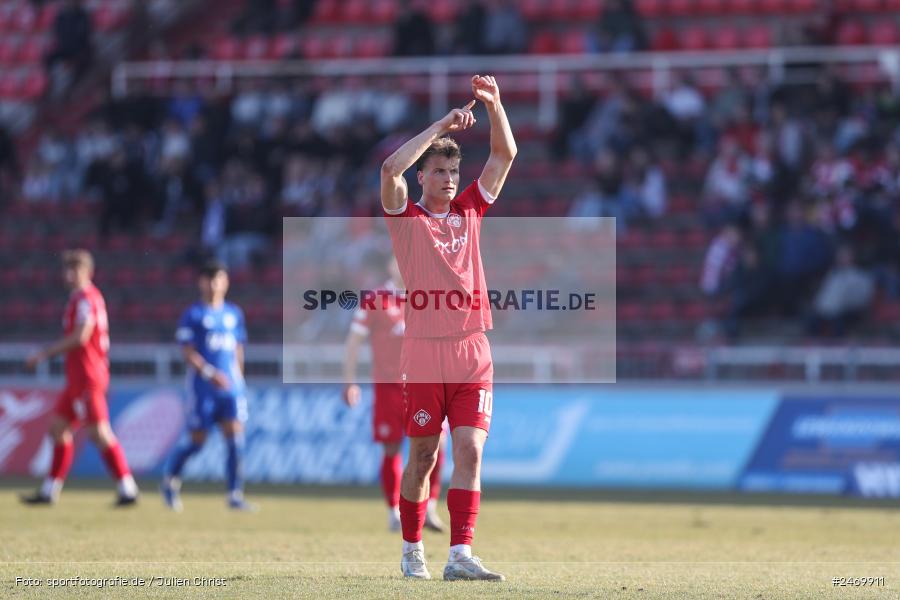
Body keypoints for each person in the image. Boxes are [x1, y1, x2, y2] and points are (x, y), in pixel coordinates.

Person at [380, 74, 516, 581]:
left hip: (471, 349)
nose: (449, 179)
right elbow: (390, 167)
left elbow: (504, 157)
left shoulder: (470, 210)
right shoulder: (407, 219)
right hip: (423, 352)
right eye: (439, 171)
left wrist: (496, 104)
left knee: (471, 451)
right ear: (423, 176)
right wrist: (439, 124)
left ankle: (460, 554)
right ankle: (412, 547)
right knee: (422, 455)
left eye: (454, 171)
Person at [22, 250, 138, 506]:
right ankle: (49, 491)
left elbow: (81, 336)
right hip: (76, 378)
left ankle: (127, 488)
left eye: (75, 269)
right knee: (58, 429)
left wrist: (44, 353)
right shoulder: (79, 298)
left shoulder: (87, 298)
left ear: (88, 272)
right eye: (67, 269)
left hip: (88, 376)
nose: (69, 274)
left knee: (99, 432)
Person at [343, 256, 446, 533]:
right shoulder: (376, 300)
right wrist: (349, 381)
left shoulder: (427, 299)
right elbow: (354, 341)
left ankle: (430, 508)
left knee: (438, 447)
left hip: (426, 386)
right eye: (398, 261)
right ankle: (393, 511)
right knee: (392, 448)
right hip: (389, 388)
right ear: (390, 266)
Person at [161, 260, 253, 511]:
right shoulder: (193, 315)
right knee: (197, 441)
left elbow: (238, 351)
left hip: (230, 389)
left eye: (218, 279)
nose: (214, 285)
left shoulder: (234, 314)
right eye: (209, 279)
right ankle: (170, 480)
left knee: (236, 439)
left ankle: (234, 494)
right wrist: (210, 373)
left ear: (226, 282)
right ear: (200, 283)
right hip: (203, 388)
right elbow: (188, 352)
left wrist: (239, 381)